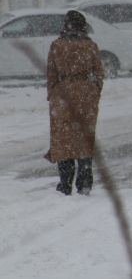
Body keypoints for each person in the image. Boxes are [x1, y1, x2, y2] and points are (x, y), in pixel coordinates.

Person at [45, 10, 104, 196]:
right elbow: (99, 73)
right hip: (86, 95)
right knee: (84, 139)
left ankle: (65, 184)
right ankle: (85, 182)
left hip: (63, 95)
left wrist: (53, 95)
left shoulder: (57, 45)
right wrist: (94, 92)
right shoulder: (90, 46)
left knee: (64, 141)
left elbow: (51, 73)